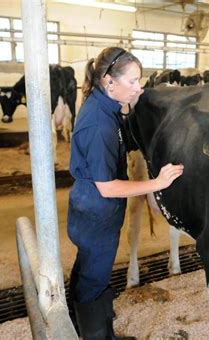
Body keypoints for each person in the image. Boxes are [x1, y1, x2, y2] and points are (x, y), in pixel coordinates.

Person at [67, 47, 184, 339]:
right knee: (93, 280)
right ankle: (96, 335)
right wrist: (157, 183)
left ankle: (86, 325)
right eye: (132, 81)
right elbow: (108, 187)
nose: (139, 87)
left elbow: (119, 117)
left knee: (89, 270)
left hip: (89, 208)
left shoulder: (101, 103)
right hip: (97, 210)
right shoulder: (98, 126)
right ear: (109, 82)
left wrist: (129, 102)